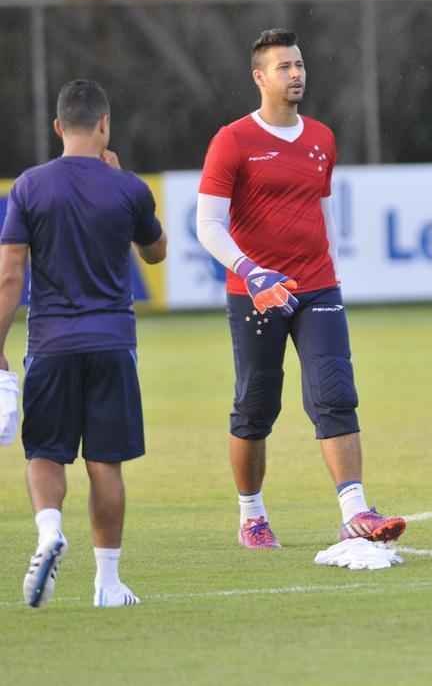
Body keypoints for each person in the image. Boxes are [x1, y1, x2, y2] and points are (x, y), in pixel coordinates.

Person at [196, 29, 405, 549]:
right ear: (259, 76)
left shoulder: (321, 138)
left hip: (317, 287)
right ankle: (251, 515)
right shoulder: (233, 140)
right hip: (256, 293)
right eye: (284, 66)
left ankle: (355, 511)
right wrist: (251, 271)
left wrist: (329, 267)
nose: (296, 74)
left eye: (299, 65)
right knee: (256, 406)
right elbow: (207, 224)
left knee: (335, 394)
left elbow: (321, 208)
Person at [0, 79, 167, 608]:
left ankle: (49, 530)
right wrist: (126, 188)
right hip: (113, 343)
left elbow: (10, 273)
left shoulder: (28, 186)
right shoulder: (128, 188)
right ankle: (108, 584)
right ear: (104, 125)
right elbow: (156, 252)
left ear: (57, 127)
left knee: (45, 454)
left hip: (50, 343)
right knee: (105, 464)